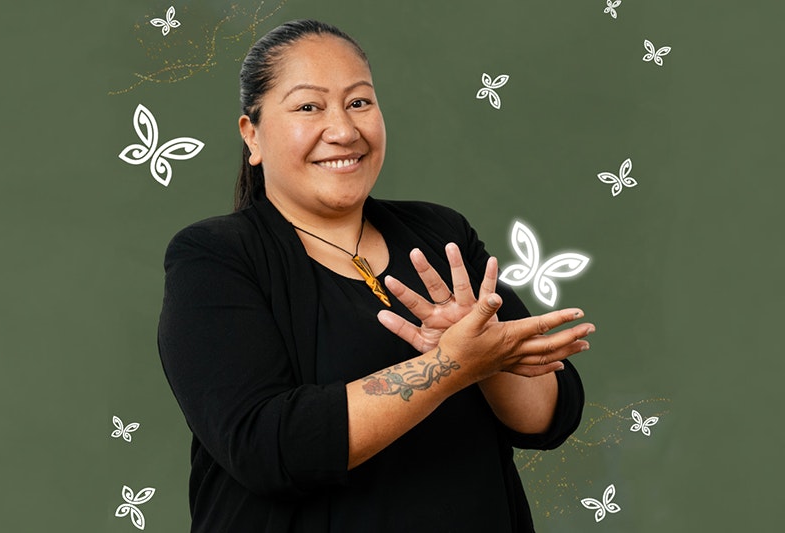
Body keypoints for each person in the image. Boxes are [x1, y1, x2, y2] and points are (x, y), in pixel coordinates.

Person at [157, 19, 593, 533]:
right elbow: (267, 447)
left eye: (359, 102)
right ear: (251, 135)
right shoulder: (213, 257)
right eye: (308, 107)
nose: (344, 130)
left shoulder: (439, 231)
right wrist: (452, 366)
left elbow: (548, 419)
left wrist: (485, 356)